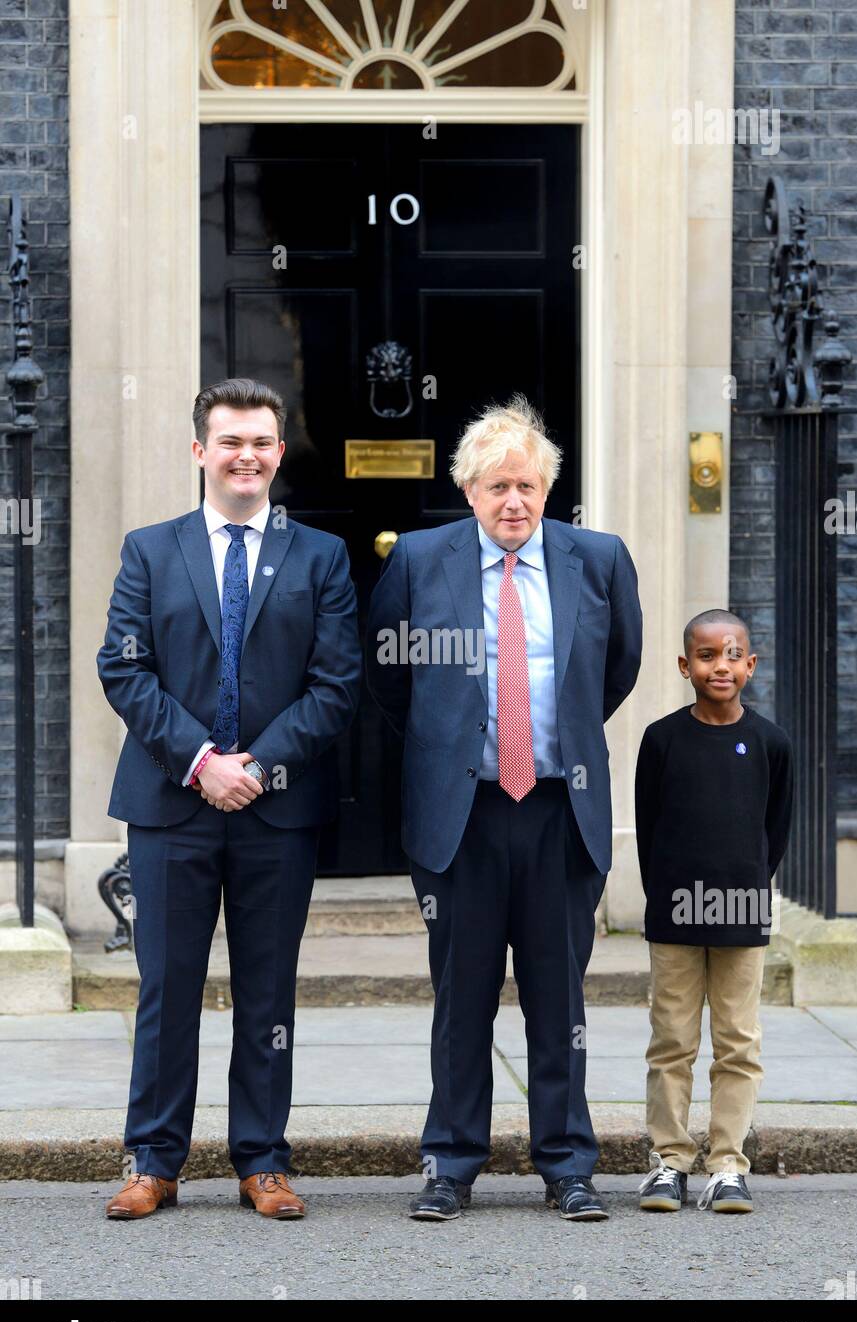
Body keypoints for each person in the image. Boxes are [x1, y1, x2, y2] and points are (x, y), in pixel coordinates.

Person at [366, 396, 642, 1221]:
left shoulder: (597, 559)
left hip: (560, 809)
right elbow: (389, 676)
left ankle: (567, 1165)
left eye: (525, 485)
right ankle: (451, 1161)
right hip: (465, 815)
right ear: (468, 491)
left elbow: (615, 670)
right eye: (495, 488)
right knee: (463, 998)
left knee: (560, 999)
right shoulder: (418, 560)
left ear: (547, 487)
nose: (512, 503)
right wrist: (450, 744)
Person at [96, 377, 361, 1220]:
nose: (245, 456)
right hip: (172, 807)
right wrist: (202, 760)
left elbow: (336, 683)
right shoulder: (150, 548)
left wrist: (257, 765)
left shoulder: (318, 556)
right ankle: (153, 1160)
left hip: (277, 810)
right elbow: (123, 669)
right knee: (165, 989)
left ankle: (262, 1159)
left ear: (279, 453)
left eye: (260, 442)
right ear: (199, 449)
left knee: (267, 990)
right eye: (229, 441)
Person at [634, 610, 793, 1215]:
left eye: (732, 655)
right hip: (675, 913)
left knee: (737, 1042)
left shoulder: (772, 742)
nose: (719, 666)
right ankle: (669, 1160)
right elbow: (650, 829)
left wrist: (749, 888)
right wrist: (666, 897)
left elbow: (772, 832)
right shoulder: (663, 739)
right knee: (671, 1039)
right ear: (684, 665)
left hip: (742, 911)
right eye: (706, 656)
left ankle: (727, 1164)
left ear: (750, 665)